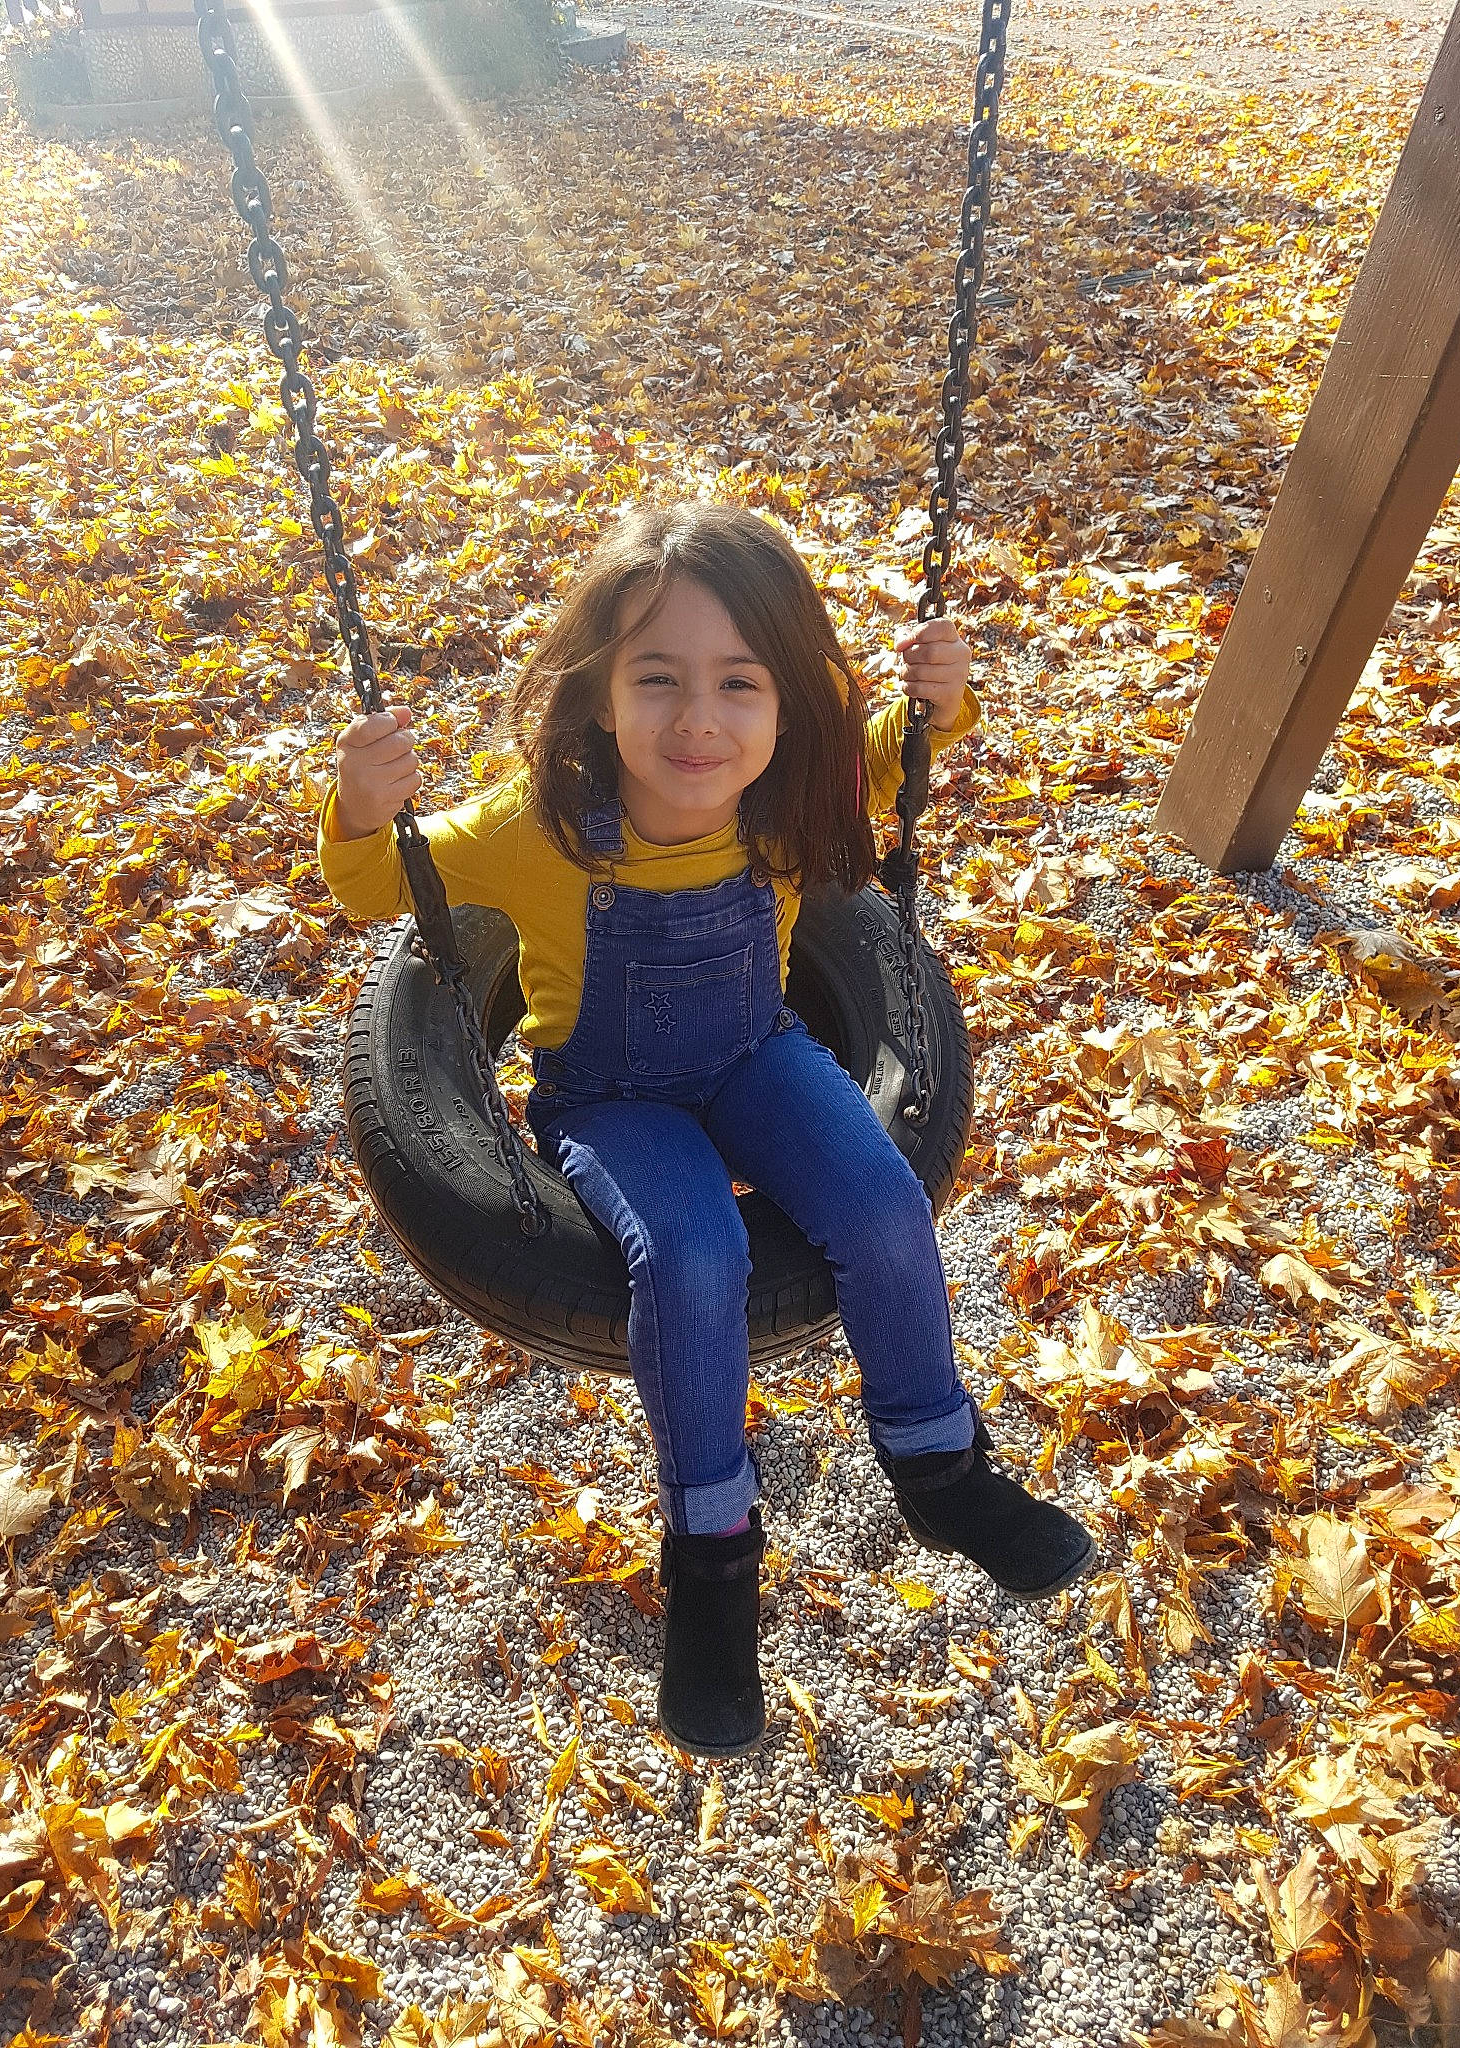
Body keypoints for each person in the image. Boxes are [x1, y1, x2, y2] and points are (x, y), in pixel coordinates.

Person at [319, 501, 1093, 1759]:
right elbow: (378, 885)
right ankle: (713, 1562)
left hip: (756, 1053)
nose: (698, 718)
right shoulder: (537, 829)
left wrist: (940, 699)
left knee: (885, 1199)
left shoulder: (788, 799)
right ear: (599, 693)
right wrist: (359, 804)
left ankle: (941, 1469)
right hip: (611, 1098)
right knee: (693, 1255)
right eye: (658, 677)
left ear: (788, 705)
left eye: (740, 682)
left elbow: (900, 749)